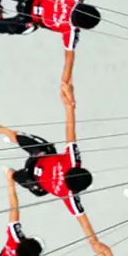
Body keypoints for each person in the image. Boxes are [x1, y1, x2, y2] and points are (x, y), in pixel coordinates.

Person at [11, 90, 99, 244]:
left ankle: (10, 173)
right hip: (41, 155)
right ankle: (12, 142)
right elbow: (84, 223)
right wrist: (94, 242)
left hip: (35, 179)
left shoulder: (73, 161)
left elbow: (70, 132)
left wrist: (69, 108)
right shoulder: (70, 195)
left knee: (15, 176)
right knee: (18, 138)